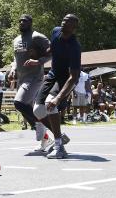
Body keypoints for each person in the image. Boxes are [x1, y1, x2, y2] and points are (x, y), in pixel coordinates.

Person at [34, 14, 81, 159]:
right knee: (37, 110)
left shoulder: (74, 47)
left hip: (66, 78)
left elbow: (74, 77)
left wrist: (58, 98)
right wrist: (38, 58)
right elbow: (52, 48)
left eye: (68, 21)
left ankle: (59, 147)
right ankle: (59, 136)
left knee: (50, 103)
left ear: (73, 27)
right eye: (64, 18)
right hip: (53, 74)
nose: (64, 21)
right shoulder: (55, 31)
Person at [11, 14, 51, 143]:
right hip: (22, 78)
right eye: (20, 21)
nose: (22, 22)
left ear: (30, 23)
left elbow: (52, 52)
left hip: (34, 77)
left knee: (19, 103)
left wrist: (38, 61)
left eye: (25, 21)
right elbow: (15, 58)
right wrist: (12, 68)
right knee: (24, 109)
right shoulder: (16, 40)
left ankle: (42, 125)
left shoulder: (37, 37)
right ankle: (46, 139)